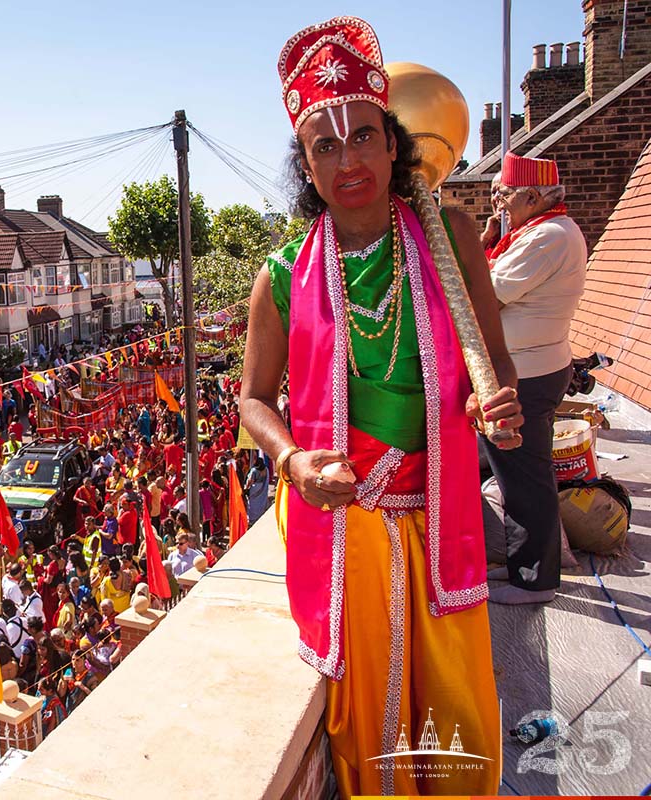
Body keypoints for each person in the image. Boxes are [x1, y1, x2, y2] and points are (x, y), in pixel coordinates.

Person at [239, 16, 517, 796]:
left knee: (459, 715)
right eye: (325, 146)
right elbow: (252, 400)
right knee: (370, 732)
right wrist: (292, 460)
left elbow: (495, 362)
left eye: (363, 136)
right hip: (342, 522)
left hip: (442, 510)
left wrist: (495, 403)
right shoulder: (282, 274)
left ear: (394, 144)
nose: (349, 159)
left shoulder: (451, 235)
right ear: (307, 167)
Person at [480, 152, 587, 604]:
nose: (498, 203)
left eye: (504, 194)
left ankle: (535, 580)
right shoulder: (540, 231)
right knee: (514, 475)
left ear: (530, 197)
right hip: (530, 368)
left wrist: (473, 250)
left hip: (527, 374)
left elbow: (486, 295)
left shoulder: (547, 237)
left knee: (524, 479)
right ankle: (520, 563)